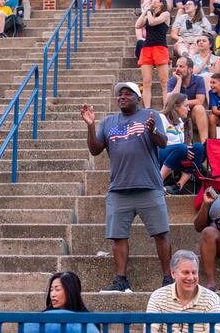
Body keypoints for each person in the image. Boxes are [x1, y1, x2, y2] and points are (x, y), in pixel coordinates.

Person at [80, 82, 173, 292]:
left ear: (138, 97)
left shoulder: (150, 115)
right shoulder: (109, 121)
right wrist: (91, 125)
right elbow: (95, 150)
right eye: (119, 94)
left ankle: (168, 279)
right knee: (118, 236)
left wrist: (152, 131)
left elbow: (163, 143)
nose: (122, 97)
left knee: (160, 233)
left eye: (127, 94)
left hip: (148, 185)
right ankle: (121, 280)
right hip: (119, 188)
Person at [146, 250, 220, 333]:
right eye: (185, 272)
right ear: (173, 274)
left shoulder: (211, 299)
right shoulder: (158, 297)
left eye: (194, 272)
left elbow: (215, 331)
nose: (191, 277)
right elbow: (149, 330)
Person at [23, 271, 100, 333]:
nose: (52, 294)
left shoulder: (90, 320)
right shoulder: (44, 318)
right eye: (51, 290)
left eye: (57, 289)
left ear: (70, 291)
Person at [158, 93, 205, 195]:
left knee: (199, 148)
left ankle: (178, 186)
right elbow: (159, 142)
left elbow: (180, 144)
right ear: (175, 106)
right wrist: (182, 149)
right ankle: (157, 182)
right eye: (186, 106)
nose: (188, 109)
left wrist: (184, 149)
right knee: (182, 148)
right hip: (161, 153)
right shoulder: (161, 118)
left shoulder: (180, 121)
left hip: (178, 153)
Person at [135, 0, 171, 108]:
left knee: (164, 81)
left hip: (160, 48)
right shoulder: (149, 14)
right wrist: (145, 11)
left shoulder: (166, 14)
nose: (152, 0)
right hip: (147, 48)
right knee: (146, 82)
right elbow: (137, 25)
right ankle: (147, 109)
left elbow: (152, 22)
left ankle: (166, 108)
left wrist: (149, 11)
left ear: (161, 3)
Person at [166, 56, 209, 143]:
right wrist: (179, 81)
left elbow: (200, 101)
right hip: (176, 113)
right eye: (177, 66)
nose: (177, 69)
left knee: (199, 108)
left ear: (190, 70)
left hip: (192, 113)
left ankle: (205, 144)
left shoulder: (198, 80)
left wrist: (183, 103)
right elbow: (169, 101)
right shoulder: (172, 81)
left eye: (181, 66)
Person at [192, 34, 220, 102]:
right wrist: (205, 61)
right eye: (199, 41)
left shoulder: (217, 59)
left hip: (212, 82)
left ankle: (212, 103)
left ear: (210, 45)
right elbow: (193, 72)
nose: (200, 42)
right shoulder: (193, 58)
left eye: (204, 41)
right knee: (206, 77)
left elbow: (217, 75)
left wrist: (208, 63)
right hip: (196, 82)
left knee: (207, 77)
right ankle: (212, 104)